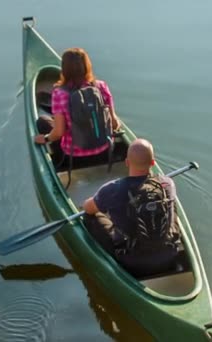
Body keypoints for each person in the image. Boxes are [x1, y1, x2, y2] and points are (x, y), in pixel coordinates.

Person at [81, 139, 182, 277]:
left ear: (127, 162)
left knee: (90, 217)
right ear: (153, 163)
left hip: (131, 263)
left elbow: (88, 208)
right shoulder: (167, 183)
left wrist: (98, 202)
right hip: (169, 256)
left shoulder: (112, 189)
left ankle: (111, 262)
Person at [34, 47, 121, 167]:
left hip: (74, 158)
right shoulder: (101, 86)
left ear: (64, 69)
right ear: (87, 66)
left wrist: (46, 139)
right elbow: (115, 123)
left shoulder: (60, 94)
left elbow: (59, 132)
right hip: (104, 151)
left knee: (42, 121)